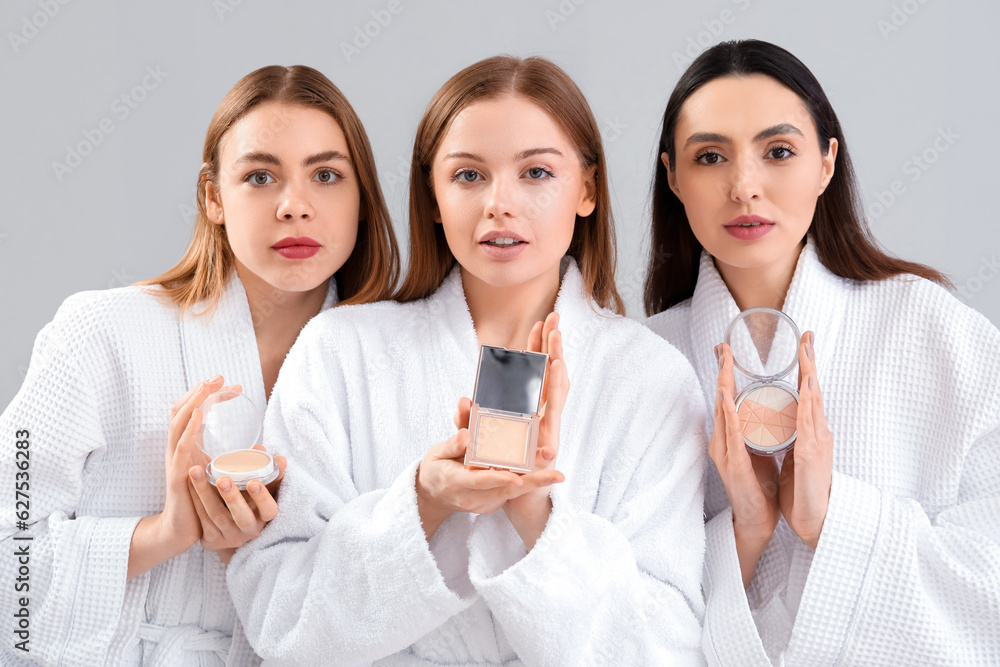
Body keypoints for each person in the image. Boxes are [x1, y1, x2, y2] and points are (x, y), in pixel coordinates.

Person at [228, 55, 708, 665]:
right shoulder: (339, 352)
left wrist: (535, 513)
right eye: (469, 176)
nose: (499, 204)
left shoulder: (652, 378)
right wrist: (426, 501)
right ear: (432, 194)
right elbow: (279, 613)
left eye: (535, 172)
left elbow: (669, 647)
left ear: (586, 188)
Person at [0, 64, 399, 665]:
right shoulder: (98, 334)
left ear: (362, 197)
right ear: (213, 197)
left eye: (326, 175)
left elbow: (404, 596)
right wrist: (164, 535)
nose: (295, 206)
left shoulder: (390, 371)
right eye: (260, 176)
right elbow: (10, 565)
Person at [644, 39, 1000, 666]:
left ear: (827, 162)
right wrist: (743, 532)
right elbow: (608, 619)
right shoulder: (642, 364)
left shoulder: (931, 329)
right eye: (709, 157)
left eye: (778, 151)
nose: (744, 187)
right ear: (672, 175)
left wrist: (834, 519)